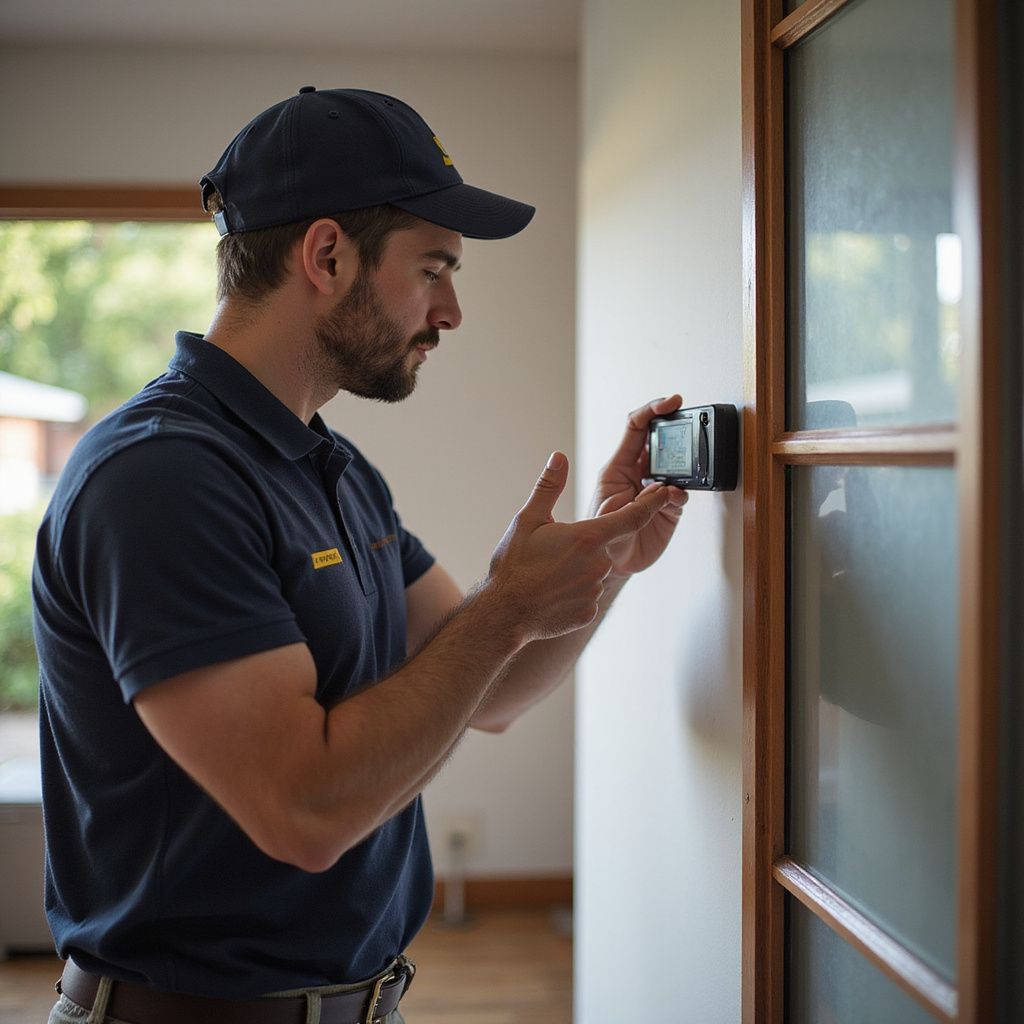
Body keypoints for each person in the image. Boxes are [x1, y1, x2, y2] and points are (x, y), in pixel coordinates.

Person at [32, 86, 688, 1024]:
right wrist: (504, 603)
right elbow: (303, 811)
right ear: (328, 255)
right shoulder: (161, 478)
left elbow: (487, 691)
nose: (451, 311)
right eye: (434, 269)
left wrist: (609, 551)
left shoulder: (333, 466)